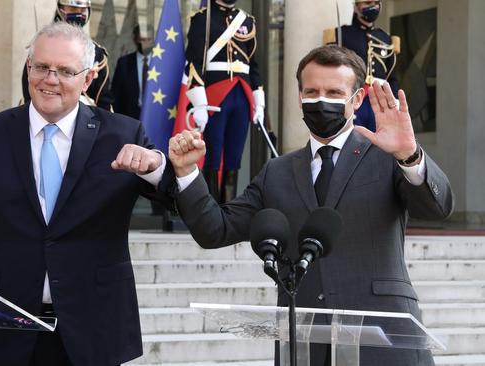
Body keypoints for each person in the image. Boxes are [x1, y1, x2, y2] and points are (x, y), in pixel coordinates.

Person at [167, 45, 453, 366]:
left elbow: (438, 208)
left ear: (357, 99)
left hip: (383, 337)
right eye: (312, 91)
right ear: (300, 96)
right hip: (305, 343)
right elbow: (214, 230)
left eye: (334, 92)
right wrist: (187, 171)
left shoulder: (389, 157)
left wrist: (409, 155)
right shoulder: (277, 172)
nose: (321, 100)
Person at [0, 22, 174, 366]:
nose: (50, 79)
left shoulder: (122, 134)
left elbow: (177, 203)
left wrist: (156, 166)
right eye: (42, 67)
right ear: (28, 67)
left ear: (88, 79)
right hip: (2, 330)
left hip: (94, 331)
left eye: (65, 71)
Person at [183, 0, 263, 203]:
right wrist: (199, 102)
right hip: (215, 95)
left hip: (242, 94)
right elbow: (194, 64)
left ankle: (228, 210)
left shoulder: (247, 20)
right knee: (213, 155)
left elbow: (253, 64)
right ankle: (211, 211)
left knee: (234, 158)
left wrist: (258, 100)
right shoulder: (203, 18)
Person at [21, 0, 114, 111]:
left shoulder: (97, 53)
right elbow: (29, 88)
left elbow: (103, 101)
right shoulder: (41, 45)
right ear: (60, 9)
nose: (79, 14)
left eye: (83, 10)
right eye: (73, 9)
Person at [324, 0, 400, 132]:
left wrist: (394, 100)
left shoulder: (385, 38)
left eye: (376, 3)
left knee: (381, 143)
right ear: (356, 7)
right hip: (354, 95)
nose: (373, 7)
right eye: (367, 3)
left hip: (380, 98)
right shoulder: (341, 34)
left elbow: (392, 74)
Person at [111, 24, 154, 119]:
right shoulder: (124, 62)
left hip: (155, 115)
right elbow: (116, 94)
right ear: (135, 40)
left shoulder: (161, 63)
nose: (146, 43)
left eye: (149, 39)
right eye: (142, 39)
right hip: (130, 116)